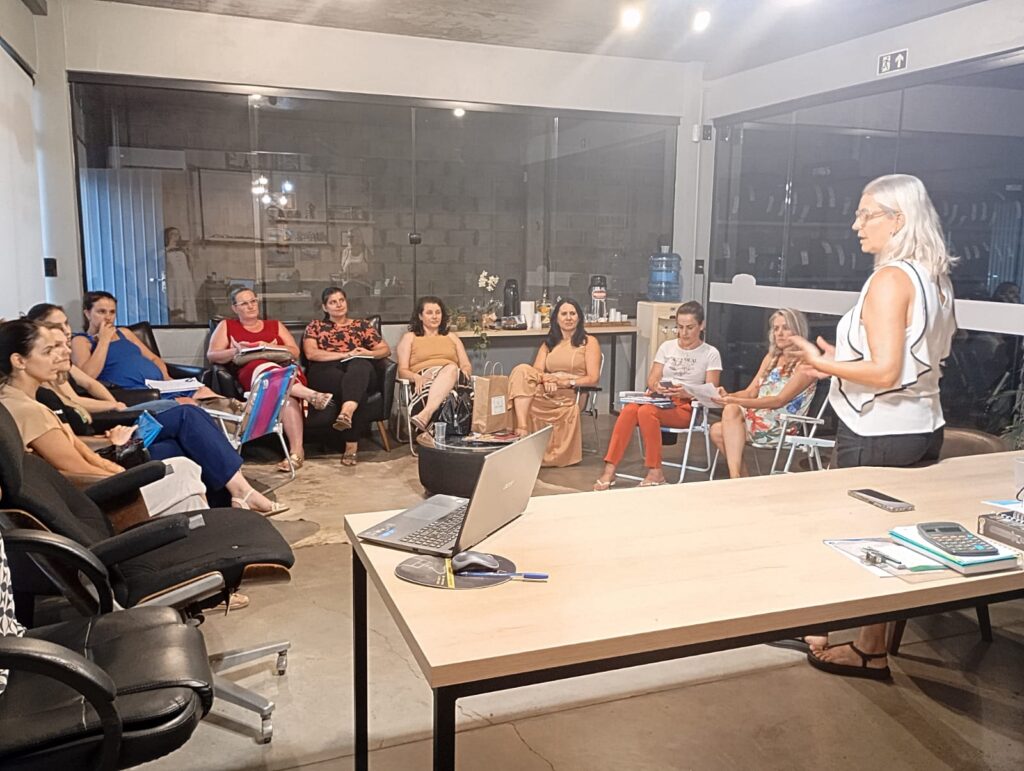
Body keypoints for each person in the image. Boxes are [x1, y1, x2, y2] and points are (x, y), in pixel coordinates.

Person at [789, 174, 957, 680]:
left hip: (877, 430)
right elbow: (904, 361)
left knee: (864, 538)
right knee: (889, 537)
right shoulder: (933, 279)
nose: (855, 224)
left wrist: (822, 363)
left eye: (866, 214)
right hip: (920, 426)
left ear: (898, 219)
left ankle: (859, 646)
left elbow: (884, 372)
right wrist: (837, 358)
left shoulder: (890, 279)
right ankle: (868, 644)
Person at [2, 319, 286, 516]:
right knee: (186, 429)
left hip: (107, 445)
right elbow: (77, 468)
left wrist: (111, 437)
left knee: (184, 433)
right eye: (49, 350)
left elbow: (74, 445)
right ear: (19, 361)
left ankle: (230, 511)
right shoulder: (26, 410)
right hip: (98, 485)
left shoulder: (31, 399)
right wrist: (123, 470)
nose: (59, 354)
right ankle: (229, 511)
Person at [594, 301, 722, 489]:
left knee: (646, 412)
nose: (684, 333)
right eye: (680, 327)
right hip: (661, 399)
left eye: (690, 327)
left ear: (701, 326)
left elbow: (711, 391)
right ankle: (610, 469)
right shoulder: (667, 347)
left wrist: (687, 393)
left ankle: (655, 471)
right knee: (629, 410)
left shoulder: (710, 353)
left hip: (687, 407)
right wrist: (658, 386)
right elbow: (652, 379)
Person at [207, 287, 333, 472]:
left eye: (253, 301)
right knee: (264, 368)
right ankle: (311, 395)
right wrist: (237, 350)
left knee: (287, 397)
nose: (251, 306)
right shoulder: (227, 326)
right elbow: (212, 355)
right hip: (251, 373)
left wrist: (266, 346)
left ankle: (296, 452)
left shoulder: (275, 325)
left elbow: (294, 352)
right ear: (235, 308)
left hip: (284, 370)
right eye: (244, 303)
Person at [709, 308, 817, 478]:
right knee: (716, 429)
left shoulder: (806, 365)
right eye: (776, 328)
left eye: (785, 328)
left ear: (798, 331)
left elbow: (779, 401)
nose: (779, 333)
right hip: (757, 418)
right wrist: (727, 396)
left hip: (781, 424)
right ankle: (741, 480)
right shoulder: (771, 358)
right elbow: (751, 392)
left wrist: (734, 402)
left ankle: (735, 478)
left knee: (730, 412)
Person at [70, 290, 217, 400]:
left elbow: (153, 358)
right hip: (134, 392)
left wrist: (166, 378)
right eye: (101, 312)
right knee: (188, 403)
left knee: (207, 394)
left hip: (160, 385)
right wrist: (104, 340)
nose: (108, 317)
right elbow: (87, 377)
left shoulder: (125, 333)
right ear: (87, 314)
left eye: (112, 312)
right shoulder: (82, 341)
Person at [302, 287, 391, 467]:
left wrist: (367, 352)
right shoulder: (315, 326)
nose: (339, 305)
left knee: (360, 366)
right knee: (357, 390)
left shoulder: (362, 325)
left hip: (358, 368)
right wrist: (344, 354)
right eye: (333, 302)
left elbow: (385, 350)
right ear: (325, 307)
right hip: (326, 369)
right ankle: (351, 445)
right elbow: (311, 353)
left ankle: (347, 412)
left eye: (341, 300)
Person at [508, 298, 600, 466]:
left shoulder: (589, 342)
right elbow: (536, 371)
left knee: (523, 395)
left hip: (572, 393)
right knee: (522, 370)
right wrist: (548, 379)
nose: (568, 318)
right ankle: (522, 428)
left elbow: (593, 379)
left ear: (579, 317)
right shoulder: (549, 343)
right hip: (547, 389)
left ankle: (525, 440)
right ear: (556, 318)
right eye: (564, 314)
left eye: (573, 313)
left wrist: (566, 382)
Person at [395, 296, 472, 433]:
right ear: (420, 316)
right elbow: (402, 371)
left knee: (451, 369)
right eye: (429, 313)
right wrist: (415, 377)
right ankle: (440, 432)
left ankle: (425, 415)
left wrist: (464, 372)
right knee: (447, 390)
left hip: (454, 378)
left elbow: (466, 365)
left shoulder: (452, 337)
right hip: (424, 380)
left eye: (438, 312)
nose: (435, 316)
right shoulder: (410, 338)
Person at [164, 226, 197, 323]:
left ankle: (189, 320)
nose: (175, 236)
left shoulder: (182, 250)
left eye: (177, 234)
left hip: (185, 279)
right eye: (172, 234)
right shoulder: (164, 251)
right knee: (176, 299)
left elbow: (191, 265)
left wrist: (188, 253)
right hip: (174, 280)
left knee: (187, 298)